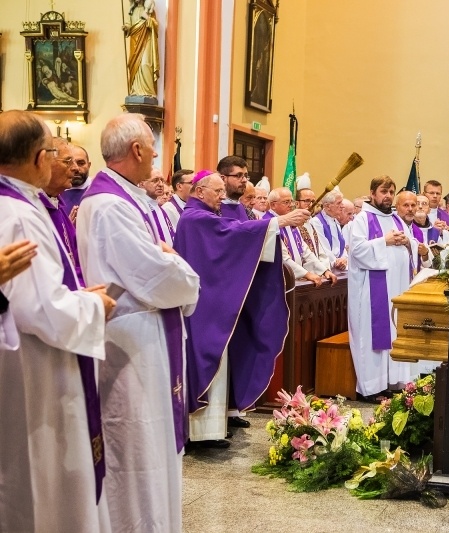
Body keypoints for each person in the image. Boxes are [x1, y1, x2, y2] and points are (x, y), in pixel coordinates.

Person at [77, 113, 201, 532]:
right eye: (152, 146)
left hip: (142, 331)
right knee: (137, 445)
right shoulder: (111, 205)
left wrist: (170, 261)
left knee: (151, 442)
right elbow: (155, 273)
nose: (155, 155)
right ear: (135, 150)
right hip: (131, 340)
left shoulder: (125, 198)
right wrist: (186, 274)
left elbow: (157, 261)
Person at [0, 110, 115, 533]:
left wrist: (75, 298)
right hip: (35, 370)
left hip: (26, 360)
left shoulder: (19, 205)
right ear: (36, 158)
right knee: (41, 487)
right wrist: (93, 307)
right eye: (53, 152)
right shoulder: (19, 214)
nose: (57, 162)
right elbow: (39, 310)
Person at [175, 175, 310, 447]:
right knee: (208, 359)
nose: (222, 198)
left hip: (213, 300)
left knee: (221, 362)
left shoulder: (204, 215)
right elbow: (233, 234)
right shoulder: (194, 217)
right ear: (199, 191)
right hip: (203, 306)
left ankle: (212, 430)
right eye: (218, 192)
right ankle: (199, 434)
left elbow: (234, 232)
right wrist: (279, 221)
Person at [348, 176, 419, 399]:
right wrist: (384, 241)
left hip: (396, 289)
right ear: (372, 193)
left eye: (391, 192)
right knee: (371, 339)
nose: (387, 196)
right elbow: (356, 251)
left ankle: (390, 382)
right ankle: (369, 388)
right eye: (383, 191)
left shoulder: (397, 220)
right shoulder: (362, 219)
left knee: (392, 336)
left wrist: (409, 243)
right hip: (371, 293)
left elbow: (414, 246)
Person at [268, 186, 335, 285]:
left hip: (295, 280)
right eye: (286, 202)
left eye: (291, 201)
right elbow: (282, 258)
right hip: (278, 282)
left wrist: (324, 271)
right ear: (273, 205)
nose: (291, 205)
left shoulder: (290, 221)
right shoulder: (269, 224)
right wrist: (306, 274)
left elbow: (305, 251)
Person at [40, 137, 84, 285]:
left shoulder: (57, 205)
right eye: (67, 161)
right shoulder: (33, 208)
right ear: (45, 163)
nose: (75, 168)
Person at [124, 0, 160, 97]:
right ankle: (135, 91)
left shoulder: (150, 11)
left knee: (145, 64)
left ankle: (148, 92)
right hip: (134, 42)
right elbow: (129, 25)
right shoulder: (132, 11)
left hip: (146, 40)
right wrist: (126, 28)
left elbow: (156, 26)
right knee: (135, 65)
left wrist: (147, 17)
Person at [138, 166, 176, 245]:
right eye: (155, 180)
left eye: (162, 180)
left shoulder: (160, 208)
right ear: (142, 183)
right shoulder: (140, 208)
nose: (161, 184)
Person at [312, 189, 348, 270]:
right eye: (339, 203)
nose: (342, 206)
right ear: (327, 206)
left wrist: (344, 259)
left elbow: (342, 245)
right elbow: (323, 247)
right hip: (327, 266)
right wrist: (336, 262)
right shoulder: (317, 222)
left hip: (339, 266)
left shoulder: (335, 221)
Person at [217, 155, 250, 221]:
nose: (244, 180)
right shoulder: (213, 210)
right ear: (223, 179)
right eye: (238, 175)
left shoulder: (247, 211)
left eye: (246, 176)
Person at [61, 144, 92, 212]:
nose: (76, 168)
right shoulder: (56, 192)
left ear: (89, 165)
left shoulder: (97, 191)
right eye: (70, 163)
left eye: (81, 163)